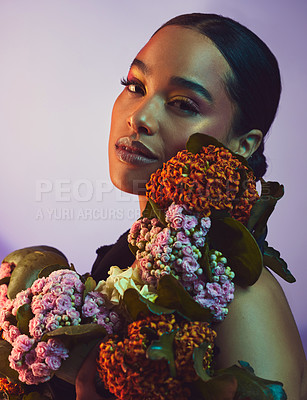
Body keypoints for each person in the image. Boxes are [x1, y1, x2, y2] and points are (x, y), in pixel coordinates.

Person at [76, 13, 307, 400]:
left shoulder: (237, 294)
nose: (140, 118)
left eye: (183, 104)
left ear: (244, 144)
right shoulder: (129, 259)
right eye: (135, 85)